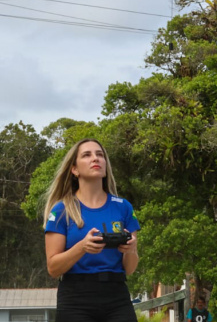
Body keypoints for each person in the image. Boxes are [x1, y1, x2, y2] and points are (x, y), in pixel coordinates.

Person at [44, 138, 140, 322]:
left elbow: (129, 268)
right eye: (87, 155)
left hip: (116, 295)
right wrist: (82, 247)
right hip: (75, 298)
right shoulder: (61, 210)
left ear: (106, 165)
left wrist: (131, 250)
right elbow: (53, 268)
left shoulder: (123, 207)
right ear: (75, 169)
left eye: (100, 155)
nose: (95, 159)